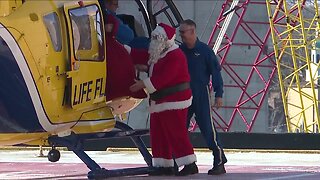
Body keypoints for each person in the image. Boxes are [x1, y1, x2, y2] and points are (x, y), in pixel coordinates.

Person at [128, 23, 198, 176]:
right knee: (158, 134)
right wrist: (123, 49)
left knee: (176, 132)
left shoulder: (176, 55)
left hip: (174, 101)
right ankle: (163, 164)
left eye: (157, 38)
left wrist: (143, 84)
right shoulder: (157, 53)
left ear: (166, 39)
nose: (153, 40)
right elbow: (140, 55)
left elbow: (165, 78)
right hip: (160, 100)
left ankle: (189, 163)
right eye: (153, 37)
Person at [179, 19, 227, 175]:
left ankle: (219, 161)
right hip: (184, 95)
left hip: (201, 94)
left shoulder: (205, 51)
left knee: (208, 129)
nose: (181, 35)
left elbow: (216, 73)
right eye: (180, 32)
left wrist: (218, 94)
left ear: (192, 31)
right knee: (180, 130)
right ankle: (189, 164)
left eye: (183, 32)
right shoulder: (179, 51)